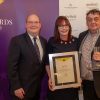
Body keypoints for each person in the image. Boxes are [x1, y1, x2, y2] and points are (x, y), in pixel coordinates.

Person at [7, 14, 47, 100]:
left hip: (36, 90)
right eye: (30, 22)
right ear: (26, 25)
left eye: (36, 22)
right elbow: (11, 66)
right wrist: (16, 86)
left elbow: (42, 65)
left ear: (40, 25)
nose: (33, 25)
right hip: (21, 92)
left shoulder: (44, 41)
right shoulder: (17, 41)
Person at [45, 16, 79, 100]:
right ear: (57, 28)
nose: (64, 28)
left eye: (66, 25)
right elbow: (47, 63)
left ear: (69, 27)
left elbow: (79, 62)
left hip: (71, 85)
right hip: (57, 84)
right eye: (61, 26)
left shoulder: (76, 41)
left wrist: (79, 78)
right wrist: (50, 77)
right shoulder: (51, 41)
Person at [78, 9, 100, 100]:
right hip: (86, 82)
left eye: (96, 19)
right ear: (86, 22)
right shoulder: (82, 35)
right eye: (90, 19)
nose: (93, 22)